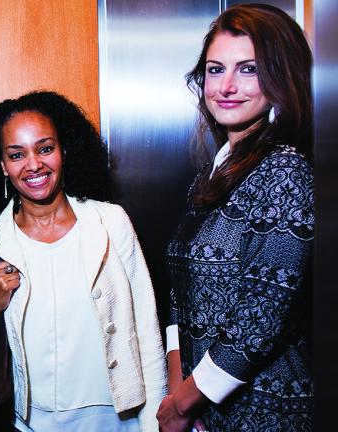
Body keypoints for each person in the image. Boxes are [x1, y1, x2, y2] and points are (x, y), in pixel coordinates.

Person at [0, 91, 166, 432]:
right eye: (17, 154)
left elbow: (146, 327)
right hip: (31, 422)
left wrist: (156, 419)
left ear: (64, 151)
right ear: (1, 165)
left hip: (118, 418)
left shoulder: (110, 222)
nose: (33, 164)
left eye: (45, 149)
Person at [157, 4, 314, 431]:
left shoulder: (284, 170)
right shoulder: (213, 174)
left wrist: (184, 403)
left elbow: (261, 314)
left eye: (248, 70)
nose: (226, 86)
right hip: (202, 410)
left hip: (265, 412)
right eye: (215, 69)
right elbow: (179, 292)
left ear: (281, 78)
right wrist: (180, 395)